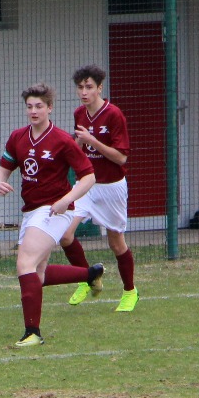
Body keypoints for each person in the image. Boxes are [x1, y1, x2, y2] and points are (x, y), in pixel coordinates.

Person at [0, 84, 103, 347]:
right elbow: (3, 170)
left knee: (25, 265)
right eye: (29, 106)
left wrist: (66, 200)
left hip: (54, 210)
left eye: (39, 106)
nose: (33, 111)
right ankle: (90, 274)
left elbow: (89, 177)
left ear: (50, 108)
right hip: (31, 211)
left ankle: (33, 333)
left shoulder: (62, 140)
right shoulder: (17, 137)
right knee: (37, 275)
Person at [58, 65, 138, 313]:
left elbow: (121, 158)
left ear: (100, 88)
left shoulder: (114, 115)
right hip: (86, 185)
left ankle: (130, 291)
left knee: (116, 243)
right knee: (65, 235)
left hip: (111, 187)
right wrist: (76, 145)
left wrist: (92, 141)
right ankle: (88, 278)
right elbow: (79, 149)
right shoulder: (79, 114)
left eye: (89, 87)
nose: (84, 92)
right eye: (80, 87)